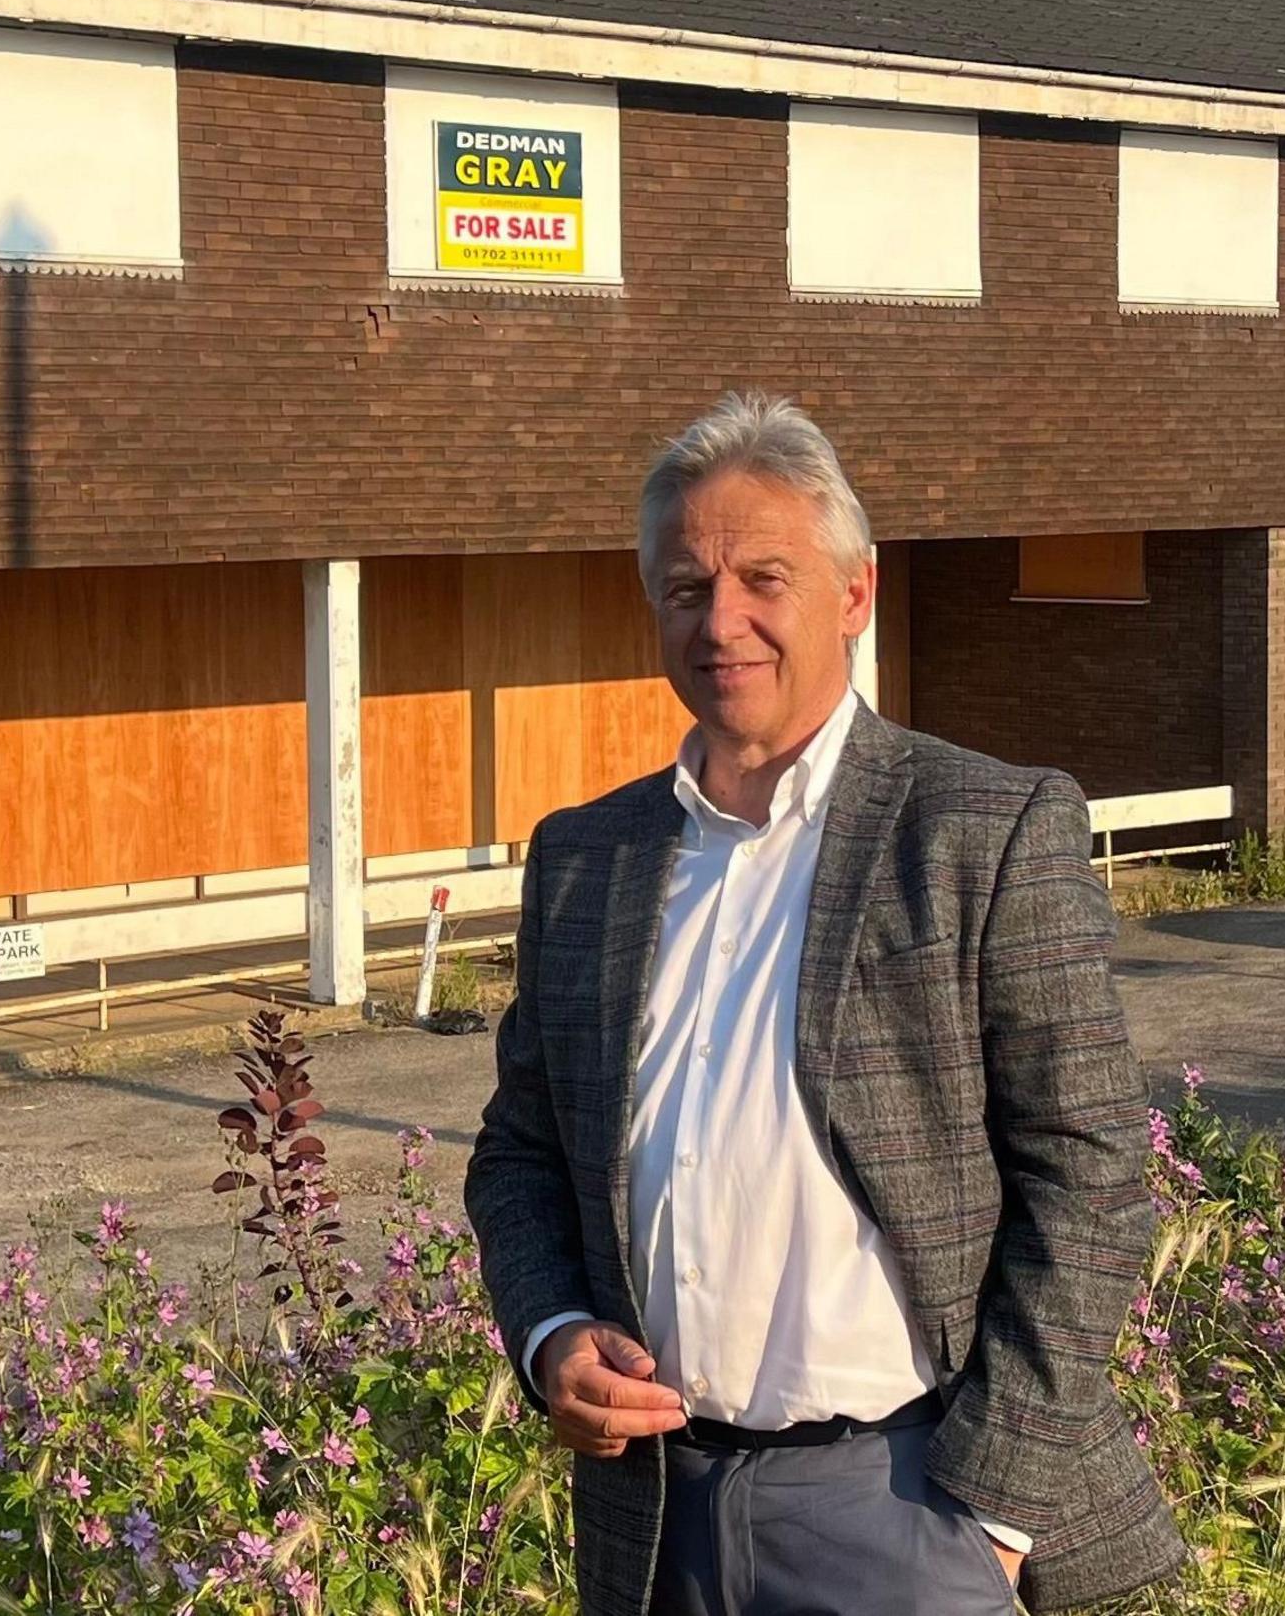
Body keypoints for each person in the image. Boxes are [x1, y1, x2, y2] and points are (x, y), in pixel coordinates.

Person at [465, 391, 1183, 1613]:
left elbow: (1095, 1178)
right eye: (686, 587)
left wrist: (992, 1520)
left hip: (910, 1503)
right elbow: (520, 1152)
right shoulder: (585, 859)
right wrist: (552, 1336)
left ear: (854, 594)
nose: (722, 619)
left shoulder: (980, 828)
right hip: (653, 1517)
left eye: (764, 576)